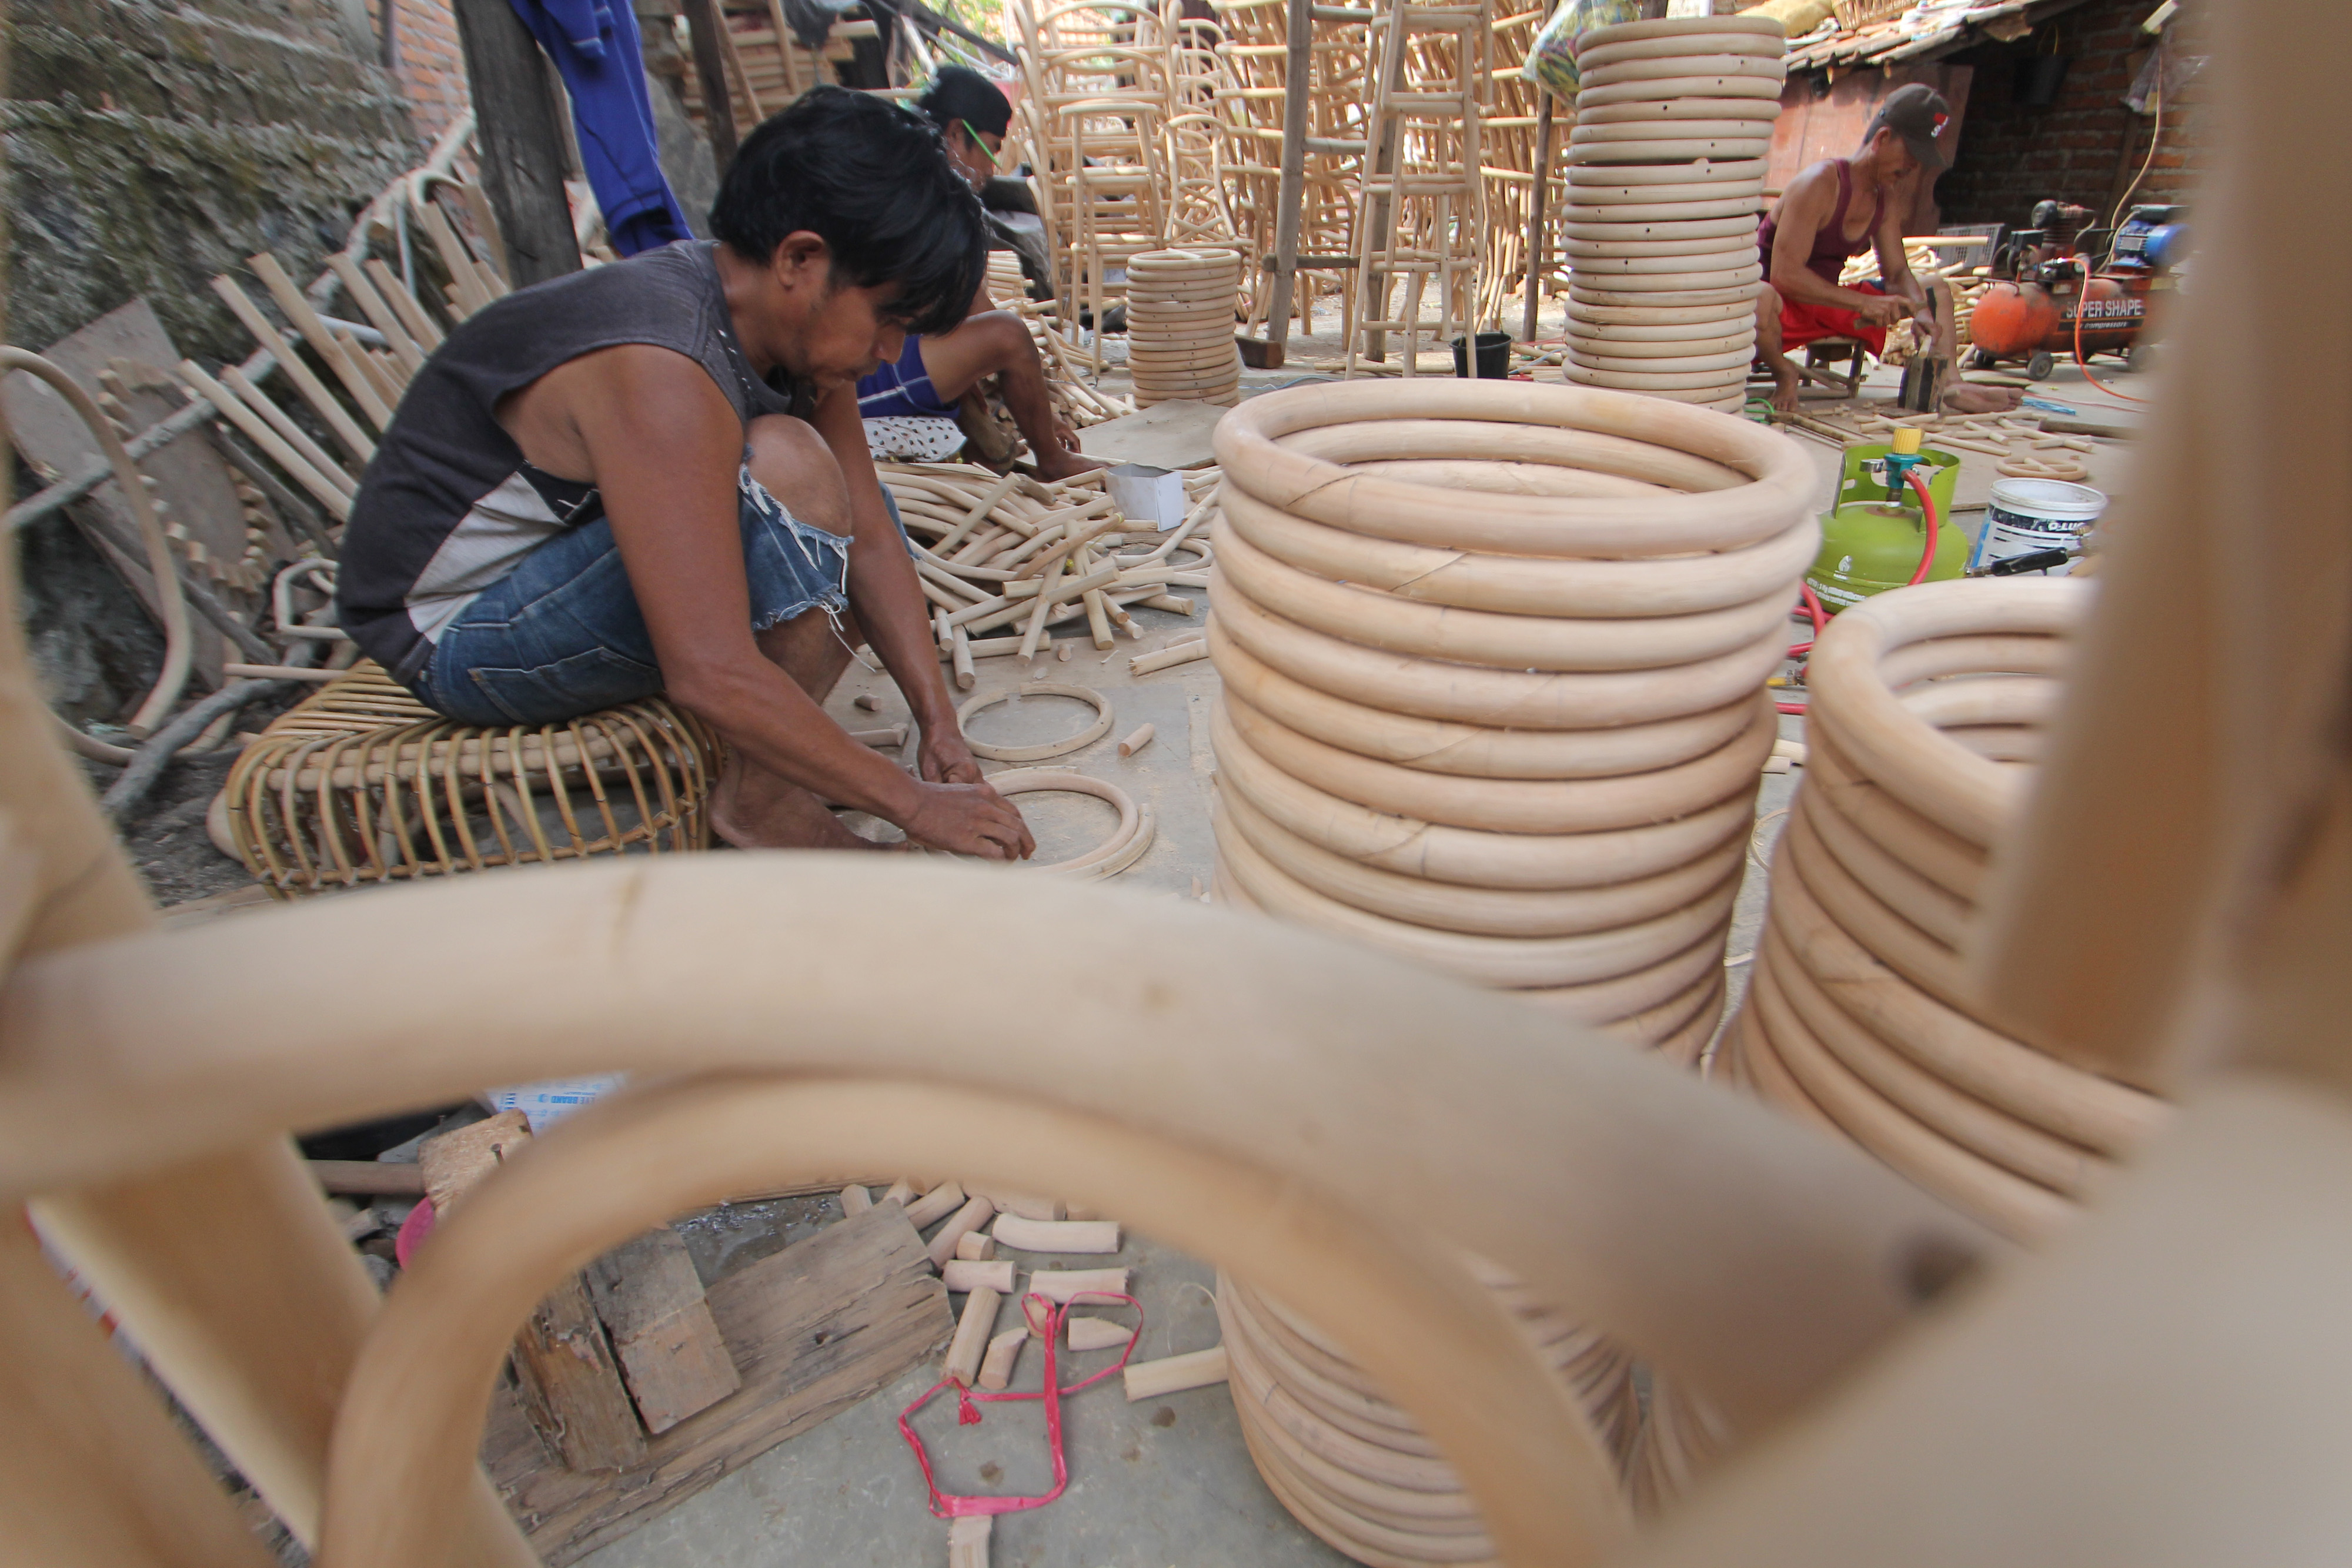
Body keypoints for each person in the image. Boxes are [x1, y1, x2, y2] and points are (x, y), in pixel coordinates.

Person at [335, 88, 1035, 861]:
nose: (895, 352)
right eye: (890, 319)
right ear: (800, 260)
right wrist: (912, 804)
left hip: (555, 579)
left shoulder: (789, 335)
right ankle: (763, 803)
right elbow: (706, 670)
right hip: (454, 631)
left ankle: (769, 776)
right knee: (793, 474)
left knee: (840, 505)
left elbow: (868, 530)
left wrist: (940, 725)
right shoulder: (664, 362)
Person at [854, 66, 1104, 480]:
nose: (991, 168)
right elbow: (984, 316)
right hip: (864, 371)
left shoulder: (909, 176)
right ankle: (1052, 460)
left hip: (874, 358)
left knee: (986, 357)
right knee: (1008, 336)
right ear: (955, 134)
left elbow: (970, 307)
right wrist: (1038, 414)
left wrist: (1036, 409)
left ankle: (996, 458)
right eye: (990, 149)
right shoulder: (921, 191)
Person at [1753, 83, 2018, 416]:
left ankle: (1949, 382)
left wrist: (1920, 312)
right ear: (1882, 139)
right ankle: (1784, 374)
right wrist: (1865, 302)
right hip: (1774, 308)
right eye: (1911, 155)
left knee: (1934, 289)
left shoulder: (1885, 197)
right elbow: (1785, 276)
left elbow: (1896, 273)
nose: (1914, 167)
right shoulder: (1820, 183)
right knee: (1760, 296)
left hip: (1822, 302)